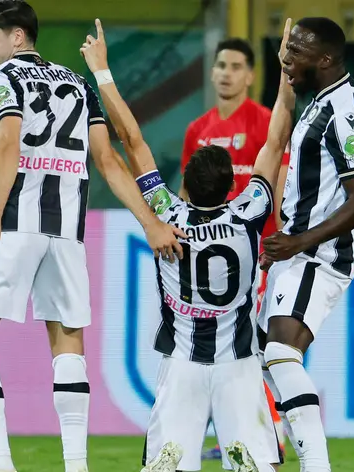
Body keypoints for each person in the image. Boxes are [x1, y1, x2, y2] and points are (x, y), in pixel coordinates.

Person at [0, 3, 184, 472]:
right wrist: (150, 223)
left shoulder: (2, 79)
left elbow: (8, 144)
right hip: (66, 234)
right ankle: (76, 465)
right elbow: (109, 162)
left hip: (15, 224)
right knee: (67, 345)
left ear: (17, 38)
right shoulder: (77, 83)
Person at [81, 18, 295, 472]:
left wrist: (102, 72)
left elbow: (133, 142)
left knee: (167, 466)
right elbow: (276, 141)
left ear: (188, 187)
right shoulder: (249, 213)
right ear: (230, 185)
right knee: (257, 466)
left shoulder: (168, 217)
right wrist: (286, 73)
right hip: (238, 363)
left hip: (182, 365)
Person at [259, 17, 354, 472]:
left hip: (321, 254)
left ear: (325, 59)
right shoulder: (322, 99)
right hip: (299, 250)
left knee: (280, 354)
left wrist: (299, 241)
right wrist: (285, 73)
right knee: (265, 360)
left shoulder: (344, 108)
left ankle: (315, 465)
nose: (287, 59)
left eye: (296, 52)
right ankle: (269, 455)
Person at [180, 37, 290, 461]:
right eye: (220, 64)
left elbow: (279, 187)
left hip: (257, 253)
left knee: (258, 345)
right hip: (212, 258)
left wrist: (282, 240)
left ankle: (272, 431)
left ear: (250, 75)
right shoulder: (198, 130)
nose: (226, 72)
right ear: (212, 72)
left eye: (235, 65)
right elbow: (187, 194)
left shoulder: (264, 122)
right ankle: (240, 432)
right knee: (224, 346)